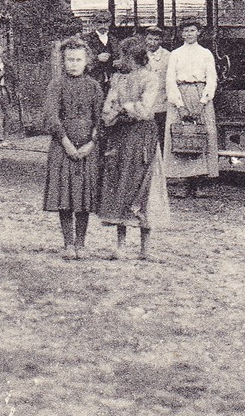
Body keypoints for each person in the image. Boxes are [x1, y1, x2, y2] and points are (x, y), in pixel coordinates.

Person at [98, 36, 171, 260]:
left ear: (136, 57)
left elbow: (144, 109)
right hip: (121, 137)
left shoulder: (150, 78)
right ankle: (120, 246)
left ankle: (145, 248)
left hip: (143, 138)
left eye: (125, 56)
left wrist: (124, 109)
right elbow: (107, 110)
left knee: (145, 187)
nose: (122, 60)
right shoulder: (118, 79)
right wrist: (117, 112)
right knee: (122, 184)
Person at [43, 37, 104, 260]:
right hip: (63, 147)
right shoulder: (56, 85)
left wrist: (91, 143)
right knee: (65, 196)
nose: (73, 64)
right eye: (69, 60)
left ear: (87, 61)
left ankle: (81, 243)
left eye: (78, 60)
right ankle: (68, 243)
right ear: (63, 61)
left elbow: (101, 119)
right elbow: (51, 117)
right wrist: (66, 143)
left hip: (88, 147)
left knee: (84, 197)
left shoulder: (94, 86)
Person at [163, 20, 218, 197]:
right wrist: (179, 106)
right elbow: (170, 80)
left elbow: (212, 79)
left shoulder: (205, 53)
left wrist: (203, 103)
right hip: (180, 94)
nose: (189, 34)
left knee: (203, 135)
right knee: (181, 136)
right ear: (181, 34)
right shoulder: (175, 54)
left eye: (192, 30)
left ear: (199, 32)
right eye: (185, 31)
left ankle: (200, 183)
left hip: (200, 93)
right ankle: (183, 183)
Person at [142, 26, 172, 149]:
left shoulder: (168, 56)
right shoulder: (141, 55)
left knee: (161, 133)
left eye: (156, 39)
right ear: (145, 39)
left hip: (162, 100)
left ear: (160, 41)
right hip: (146, 101)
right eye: (150, 39)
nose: (152, 43)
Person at [85, 17, 117, 89]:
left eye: (106, 22)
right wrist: (96, 58)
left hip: (111, 78)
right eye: (100, 22)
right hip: (94, 78)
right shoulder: (87, 39)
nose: (103, 25)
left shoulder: (113, 39)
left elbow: (118, 56)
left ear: (109, 23)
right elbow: (83, 59)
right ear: (94, 23)